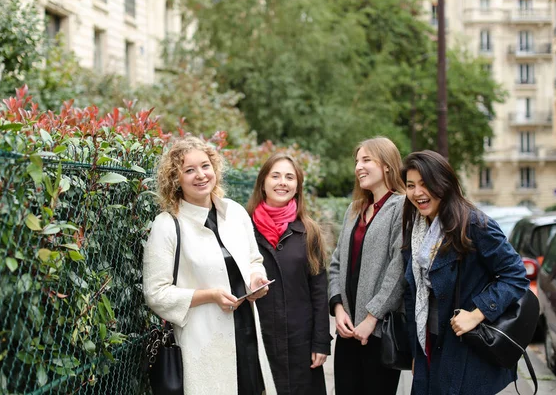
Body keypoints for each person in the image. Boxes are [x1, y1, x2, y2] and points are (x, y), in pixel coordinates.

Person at [143, 136, 276, 395]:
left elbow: (253, 260)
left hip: (247, 334)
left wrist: (257, 279)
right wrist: (210, 296)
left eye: (205, 166)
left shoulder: (235, 213)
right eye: (189, 170)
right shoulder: (167, 225)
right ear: (175, 180)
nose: (201, 175)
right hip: (204, 342)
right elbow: (155, 293)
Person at [401, 150, 530, 395]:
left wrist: (477, 313)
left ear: (444, 183)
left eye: (425, 184)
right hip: (428, 345)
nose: (417, 193)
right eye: (410, 185)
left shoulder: (474, 224)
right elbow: (413, 292)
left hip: (466, 350)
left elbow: (515, 276)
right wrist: (415, 353)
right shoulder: (416, 228)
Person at [247, 154, 331, 395]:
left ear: (297, 187)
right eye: (275, 175)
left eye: (289, 177)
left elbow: (319, 290)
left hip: (300, 342)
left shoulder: (309, 231)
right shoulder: (244, 227)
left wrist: (321, 342)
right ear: (263, 182)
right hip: (260, 339)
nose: (282, 182)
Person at [328, 137, 406, 395]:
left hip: (378, 333)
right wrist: (338, 308)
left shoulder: (402, 206)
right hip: (348, 331)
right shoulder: (354, 209)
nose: (358, 167)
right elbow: (337, 263)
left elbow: (398, 268)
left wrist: (372, 318)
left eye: (366, 160)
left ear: (386, 165)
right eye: (357, 161)